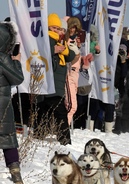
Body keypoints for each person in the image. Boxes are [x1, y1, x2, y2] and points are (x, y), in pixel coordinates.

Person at [35, 13, 76, 145]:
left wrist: (64, 50)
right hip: (50, 83)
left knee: (44, 110)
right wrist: (53, 50)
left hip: (54, 84)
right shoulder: (48, 39)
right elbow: (42, 57)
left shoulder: (59, 40)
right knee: (60, 113)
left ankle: (38, 135)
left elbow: (71, 56)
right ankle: (65, 141)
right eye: (54, 28)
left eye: (59, 29)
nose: (57, 31)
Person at [0, 21, 25, 184]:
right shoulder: (3, 58)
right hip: (2, 106)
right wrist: (16, 61)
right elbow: (17, 78)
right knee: (8, 138)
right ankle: (15, 174)